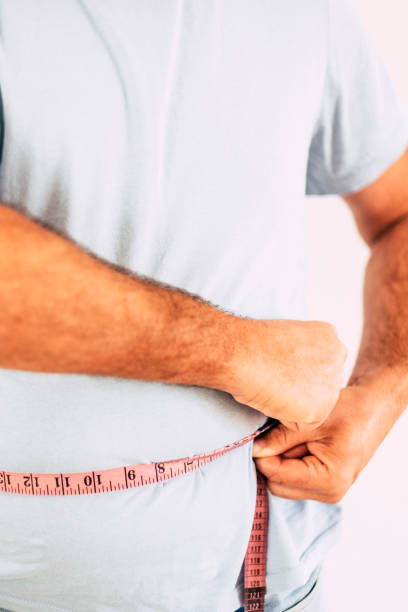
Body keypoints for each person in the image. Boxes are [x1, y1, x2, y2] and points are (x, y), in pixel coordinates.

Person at [0, 0, 406, 610]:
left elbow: (398, 213)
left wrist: (383, 389)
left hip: (268, 587)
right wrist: (237, 354)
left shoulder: (307, 14)